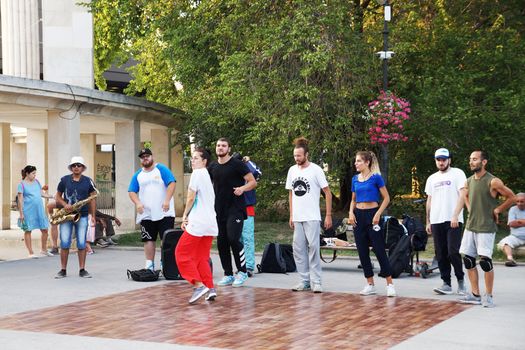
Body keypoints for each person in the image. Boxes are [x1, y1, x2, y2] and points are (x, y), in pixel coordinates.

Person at [453, 150, 515, 307]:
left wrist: (498, 210)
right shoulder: (468, 181)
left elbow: (512, 197)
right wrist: (461, 212)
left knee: (486, 262)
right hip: (470, 226)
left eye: (475, 159)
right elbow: (464, 197)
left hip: (486, 227)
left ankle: (489, 296)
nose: (471, 162)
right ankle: (475, 294)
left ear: (484, 162)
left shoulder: (493, 181)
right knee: (468, 260)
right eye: (470, 159)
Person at [286, 137, 332, 293]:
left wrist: (328, 215)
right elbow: (291, 194)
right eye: (295, 156)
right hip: (298, 217)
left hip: (312, 216)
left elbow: (327, 192)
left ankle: (316, 281)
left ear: (306, 154)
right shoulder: (292, 170)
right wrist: (292, 215)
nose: (296, 158)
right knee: (298, 249)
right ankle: (304, 280)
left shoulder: (316, 170)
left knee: (313, 247)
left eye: (299, 156)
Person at [209, 138, 257, 287]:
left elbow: (252, 182)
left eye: (223, 146)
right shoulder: (212, 166)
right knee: (222, 242)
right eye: (218, 145)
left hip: (235, 209)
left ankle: (242, 272)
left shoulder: (237, 164)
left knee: (233, 239)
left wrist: (242, 189)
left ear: (229, 148)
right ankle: (228, 274)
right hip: (219, 210)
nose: (220, 148)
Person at [348, 151, 396, 297]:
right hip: (358, 217)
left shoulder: (376, 178)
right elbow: (353, 200)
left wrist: (377, 214)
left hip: (373, 215)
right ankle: (370, 284)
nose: (356, 163)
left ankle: (390, 284)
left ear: (367, 162)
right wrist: (351, 212)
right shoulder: (355, 179)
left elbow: (386, 198)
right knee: (362, 251)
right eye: (355, 161)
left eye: (358, 161)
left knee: (379, 249)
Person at [175, 148, 218, 304]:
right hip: (210, 224)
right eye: (192, 158)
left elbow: (191, 197)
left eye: (196, 158)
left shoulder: (197, 173)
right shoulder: (206, 175)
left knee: (181, 254)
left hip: (199, 223)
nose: (192, 161)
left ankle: (198, 285)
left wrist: (184, 216)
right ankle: (210, 288)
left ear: (204, 161)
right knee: (201, 257)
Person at [425, 148, 467, 295]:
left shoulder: (458, 173)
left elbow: (463, 195)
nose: (441, 162)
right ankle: (446, 283)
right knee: (440, 253)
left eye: (444, 159)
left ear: (449, 159)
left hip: (453, 220)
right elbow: (429, 201)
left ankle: (461, 281)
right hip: (436, 220)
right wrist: (428, 221)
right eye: (438, 159)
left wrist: (455, 215)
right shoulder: (432, 178)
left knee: (453, 252)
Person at [128, 148, 176, 271]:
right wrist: (138, 203)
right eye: (142, 156)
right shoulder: (138, 174)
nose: (145, 158)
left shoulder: (161, 169)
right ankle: (149, 264)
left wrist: (167, 200)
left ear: (152, 156)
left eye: (147, 156)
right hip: (147, 214)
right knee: (148, 239)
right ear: (140, 159)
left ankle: (165, 263)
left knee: (166, 239)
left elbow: (172, 183)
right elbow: (132, 191)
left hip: (164, 212)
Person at [54, 156, 97, 278]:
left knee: (82, 243)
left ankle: (82, 270)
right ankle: (63, 270)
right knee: (65, 242)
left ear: (83, 168)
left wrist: (92, 215)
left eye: (79, 165)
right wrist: (65, 204)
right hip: (67, 215)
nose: (76, 167)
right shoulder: (64, 180)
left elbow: (93, 199)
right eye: (74, 165)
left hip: (82, 215)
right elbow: (57, 196)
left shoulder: (88, 181)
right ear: (71, 168)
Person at [232, 153, 262, 277]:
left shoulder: (248, 169)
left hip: (247, 207)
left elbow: (258, 173)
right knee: (237, 239)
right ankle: (241, 265)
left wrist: (248, 161)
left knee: (248, 238)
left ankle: (249, 266)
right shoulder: (231, 172)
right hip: (234, 209)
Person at [17, 165, 53, 258]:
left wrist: (51, 196)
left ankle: (43, 250)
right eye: (33, 173)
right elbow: (20, 200)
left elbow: (41, 193)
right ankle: (31, 252)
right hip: (28, 211)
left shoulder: (37, 182)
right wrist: (21, 213)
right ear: (27, 174)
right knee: (28, 230)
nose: (34, 175)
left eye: (35, 173)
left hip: (39, 210)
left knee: (45, 229)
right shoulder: (21, 185)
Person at [497, 193, 525, 267]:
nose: (519, 203)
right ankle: (510, 259)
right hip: (516, 237)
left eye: (522, 201)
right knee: (505, 243)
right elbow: (511, 224)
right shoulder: (513, 209)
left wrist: (519, 221)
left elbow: (515, 223)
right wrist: (522, 222)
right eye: (517, 201)